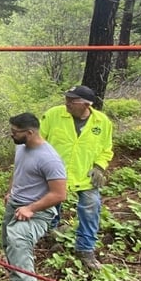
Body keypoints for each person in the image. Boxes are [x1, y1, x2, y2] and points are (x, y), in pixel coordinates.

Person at [0, 112, 67, 281]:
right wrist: (11, 192)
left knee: (18, 241)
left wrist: (31, 208)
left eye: (15, 132)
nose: (12, 135)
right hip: (16, 204)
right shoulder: (21, 147)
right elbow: (18, 172)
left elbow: (59, 193)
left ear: (30, 132)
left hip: (38, 210)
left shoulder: (49, 158)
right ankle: (18, 280)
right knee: (8, 242)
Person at [40, 86, 114, 270]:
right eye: (66, 99)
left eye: (72, 101)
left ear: (86, 104)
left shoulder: (102, 122)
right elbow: (38, 141)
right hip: (54, 173)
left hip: (84, 175)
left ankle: (85, 249)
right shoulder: (53, 115)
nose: (67, 103)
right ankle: (51, 233)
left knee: (91, 209)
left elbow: (106, 149)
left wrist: (99, 167)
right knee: (51, 204)